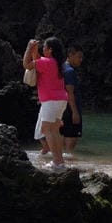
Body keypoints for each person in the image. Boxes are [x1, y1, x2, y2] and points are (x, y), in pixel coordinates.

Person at [24, 36, 69, 171]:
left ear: (50, 50)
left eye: (44, 47)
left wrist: (28, 48)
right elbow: (38, 59)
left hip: (51, 101)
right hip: (61, 100)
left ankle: (56, 161)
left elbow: (27, 65)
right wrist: (35, 50)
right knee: (54, 130)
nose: (43, 49)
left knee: (46, 130)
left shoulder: (46, 62)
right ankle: (59, 161)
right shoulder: (56, 63)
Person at [61, 47, 85, 155]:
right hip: (70, 109)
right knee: (71, 141)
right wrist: (75, 112)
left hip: (63, 107)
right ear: (70, 55)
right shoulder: (70, 71)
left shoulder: (62, 68)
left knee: (63, 138)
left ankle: (62, 161)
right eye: (79, 57)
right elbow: (70, 92)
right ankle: (69, 162)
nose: (81, 60)